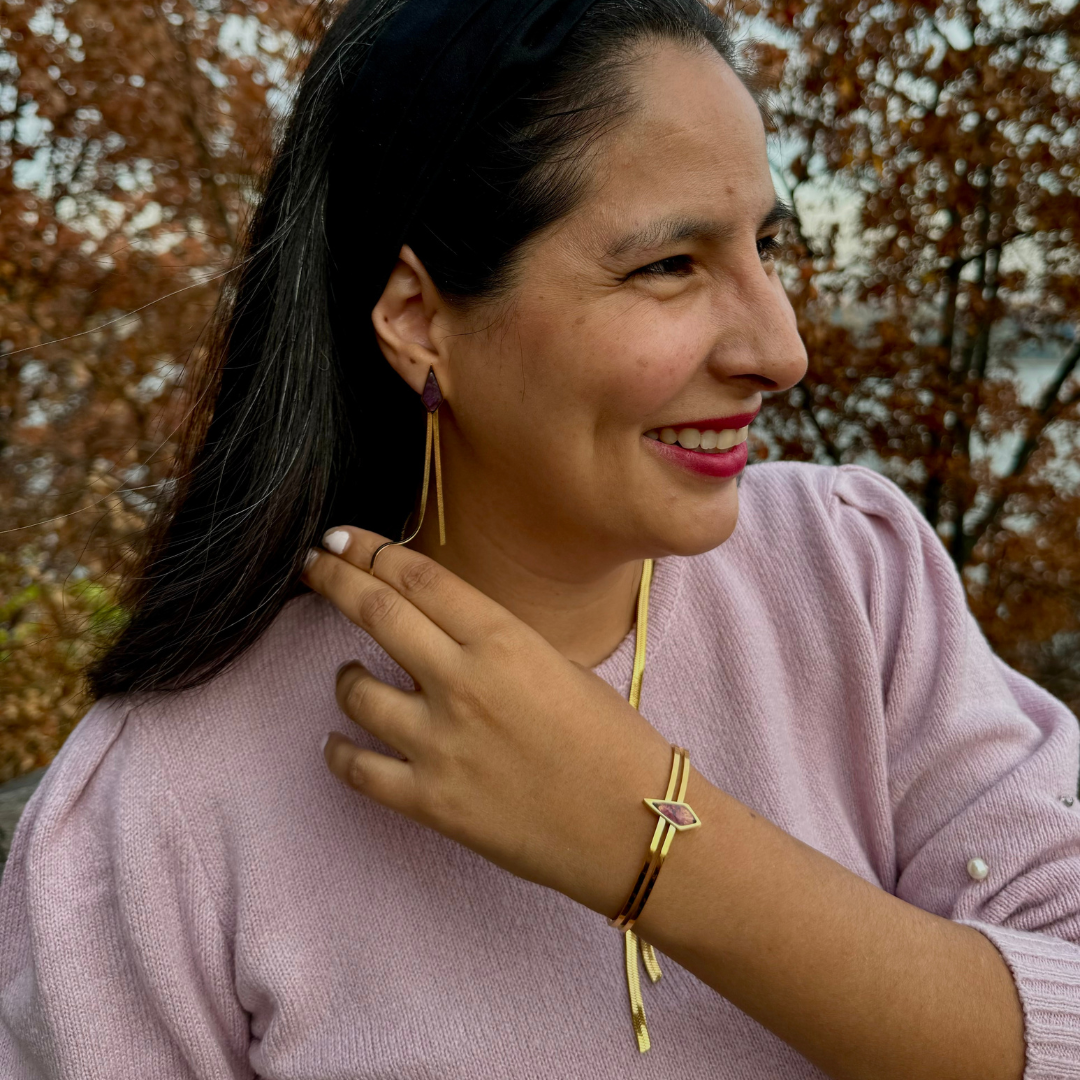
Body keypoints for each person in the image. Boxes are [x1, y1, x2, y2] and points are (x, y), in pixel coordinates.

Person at [2, 0, 1079, 1076]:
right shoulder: (163, 808)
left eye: (766, 245)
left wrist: (644, 837)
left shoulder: (853, 582)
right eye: (670, 264)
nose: (783, 349)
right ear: (421, 321)